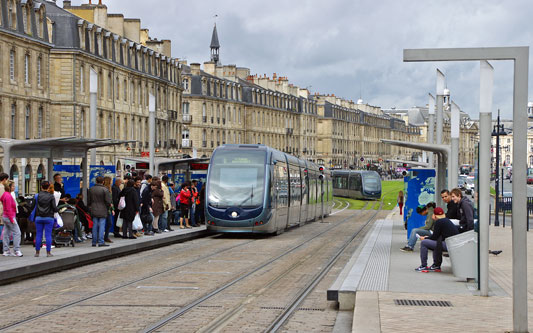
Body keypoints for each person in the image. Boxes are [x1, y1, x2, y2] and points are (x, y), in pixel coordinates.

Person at [415, 207, 459, 272]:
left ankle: (423, 266)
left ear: (434, 215)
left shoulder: (438, 222)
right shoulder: (446, 220)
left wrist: (424, 238)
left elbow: (434, 237)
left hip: (448, 245)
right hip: (453, 243)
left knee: (424, 243)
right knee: (437, 243)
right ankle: (436, 265)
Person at [34, 181, 58, 257]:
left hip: (38, 217)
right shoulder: (51, 196)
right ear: (48, 187)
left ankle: (37, 252)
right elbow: (54, 208)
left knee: (38, 235)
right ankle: (48, 252)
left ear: (41, 187)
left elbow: (32, 207)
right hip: (49, 218)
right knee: (48, 235)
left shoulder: (37, 196)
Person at [87, 176, 112, 247]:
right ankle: (101, 241)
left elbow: (88, 200)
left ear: (96, 181)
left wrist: (90, 207)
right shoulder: (105, 190)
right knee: (102, 225)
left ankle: (94, 242)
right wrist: (107, 208)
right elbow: (108, 201)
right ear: (103, 182)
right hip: (103, 209)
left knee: (95, 225)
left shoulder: (91, 189)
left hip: (94, 209)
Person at [2, 181, 23, 257]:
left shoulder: (5, 195)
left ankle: (6, 250)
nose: (14, 187)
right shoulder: (8, 196)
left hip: (5, 216)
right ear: (9, 187)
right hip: (10, 216)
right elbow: (8, 208)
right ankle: (16, 250)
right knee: (17, 233)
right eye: (13, 186)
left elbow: (2, 200)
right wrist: (12, 219)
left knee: (6, 233)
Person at [102, 176, 115, 243]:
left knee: (109, 223)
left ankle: (105, 236)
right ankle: (104, 237)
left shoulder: (109, 189)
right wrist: (111, 206)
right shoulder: (105, 189)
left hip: (109, 209)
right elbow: (108, 200)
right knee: (106, 223)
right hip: (105, 209)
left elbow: (111, 200)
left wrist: (112, 209)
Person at [0, 173, 9, 249]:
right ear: (4, 179)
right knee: (2, 227)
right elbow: (3, 200)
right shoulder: (2, 188)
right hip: (1, 210)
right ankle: (1, 245)